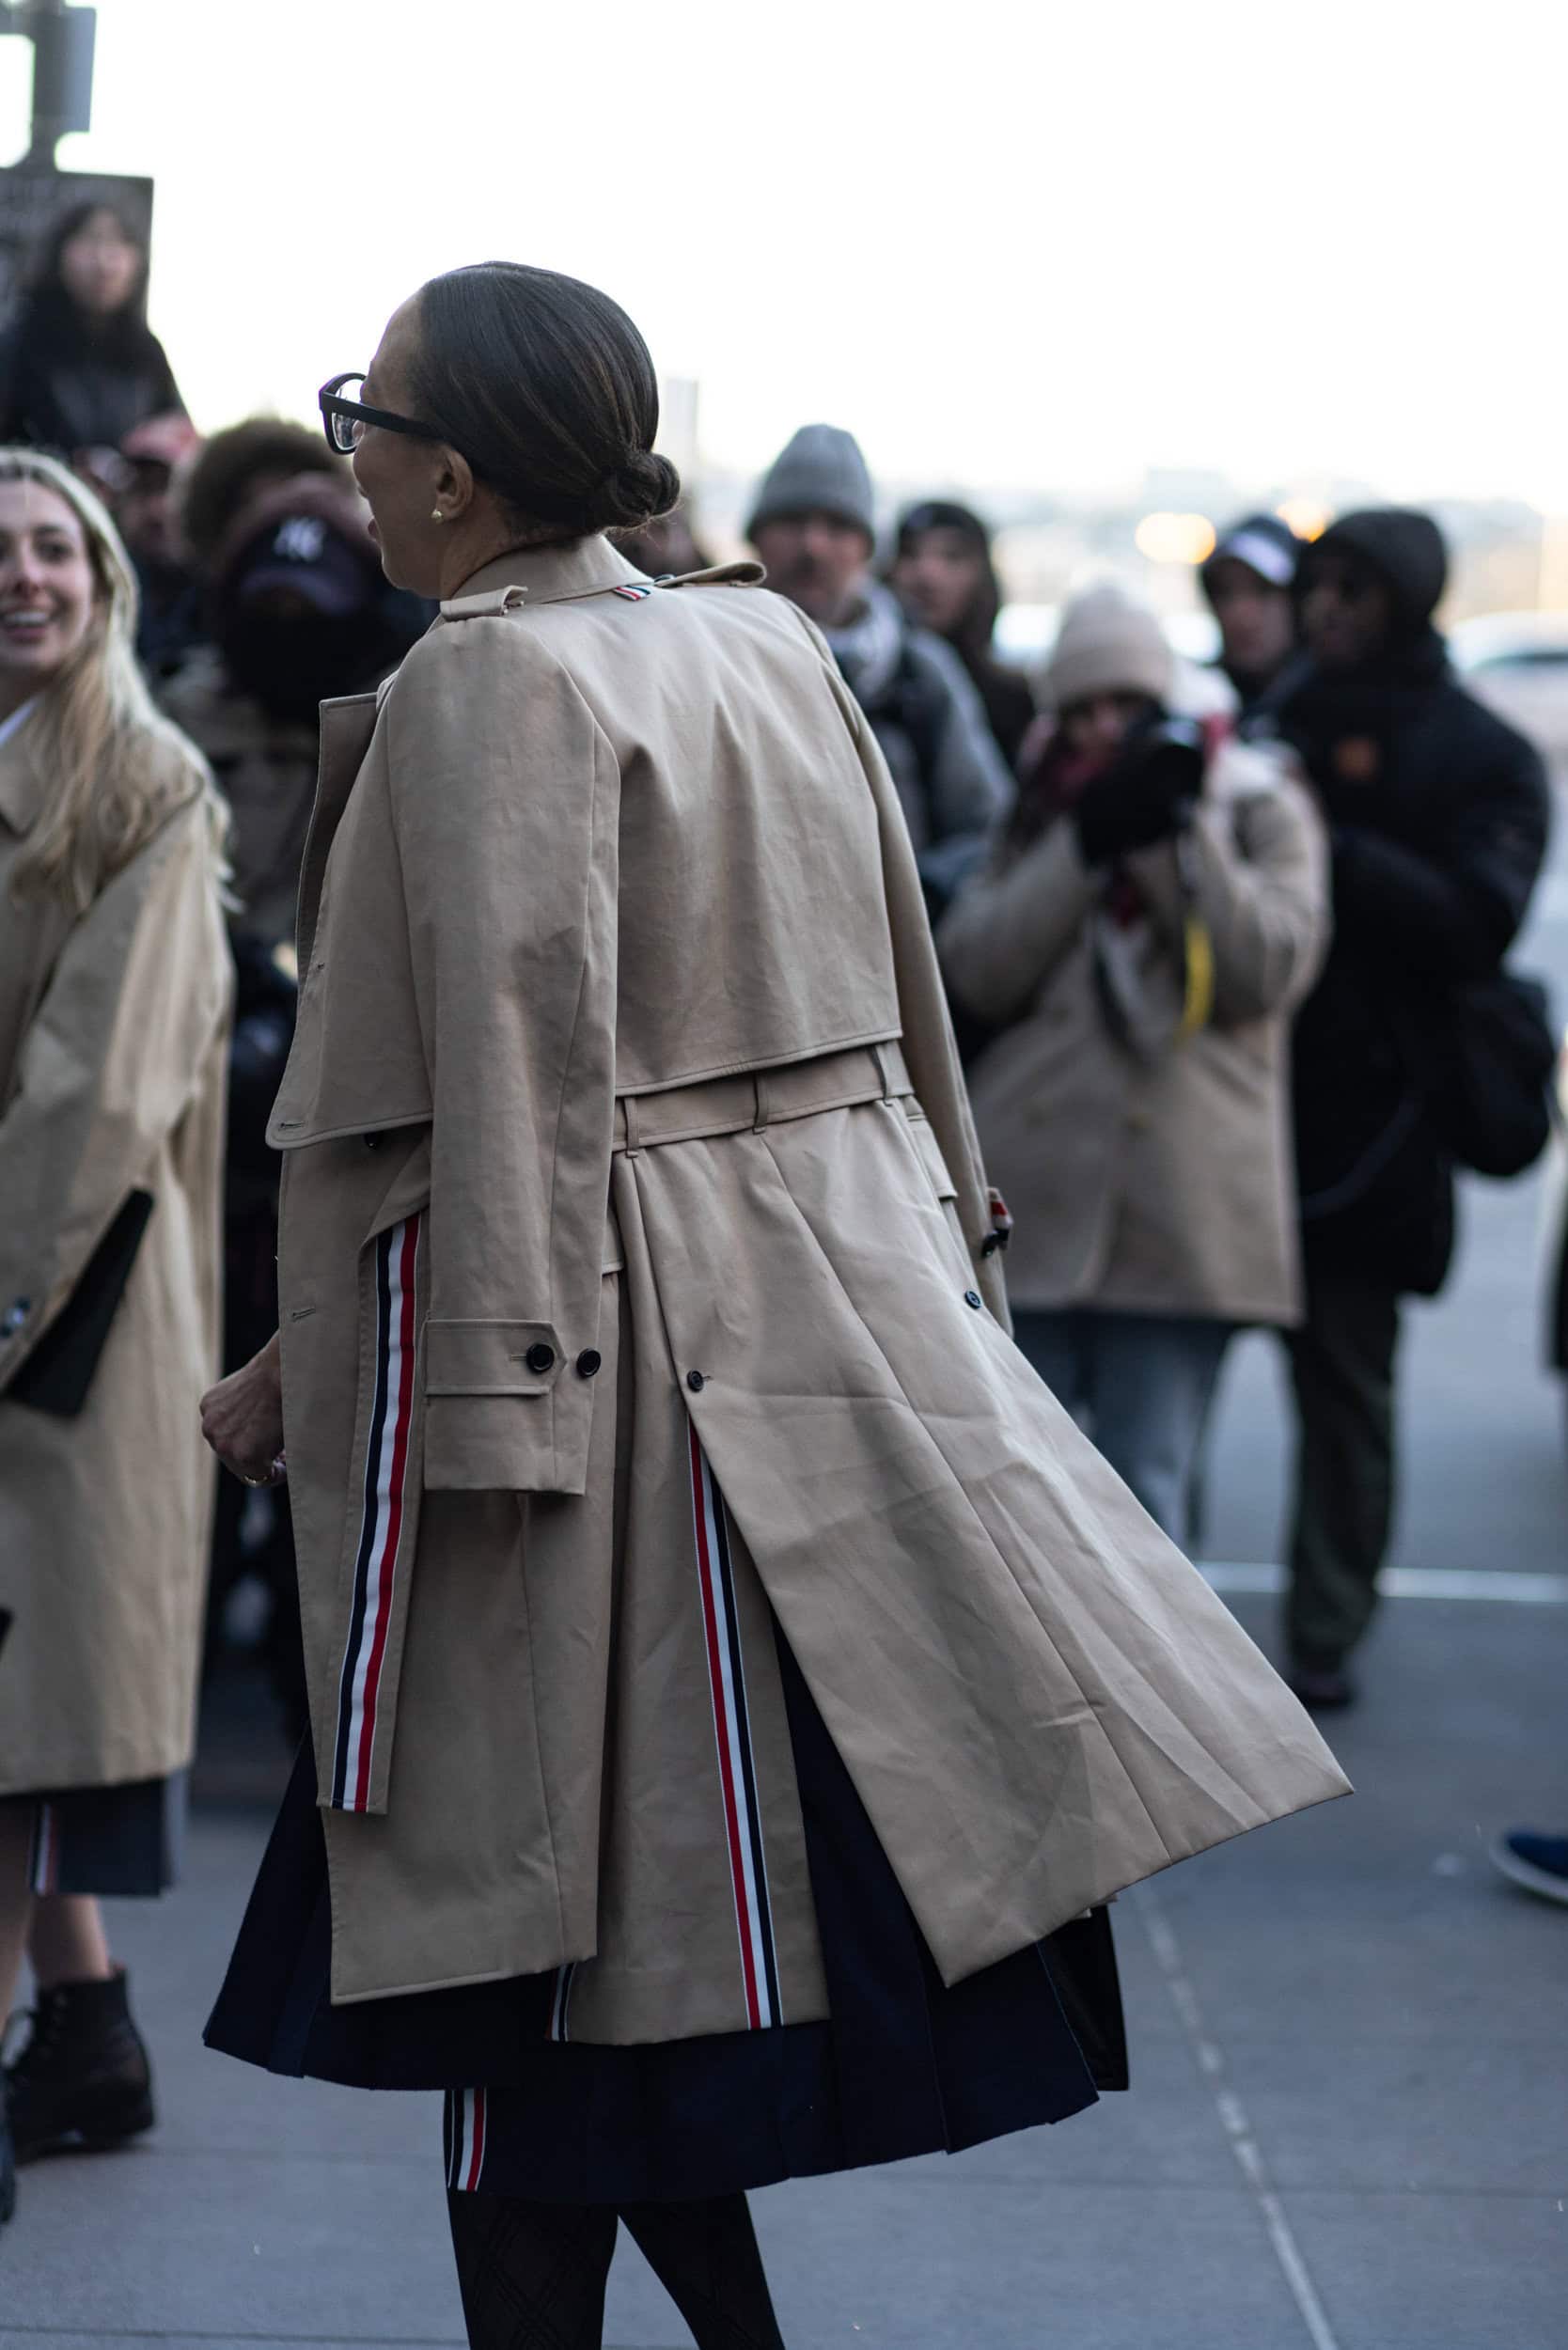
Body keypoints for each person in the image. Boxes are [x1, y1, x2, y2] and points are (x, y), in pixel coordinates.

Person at [196, 263, 1345, 2350]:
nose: (349, 452)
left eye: (370, 416)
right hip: (787, 1363)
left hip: (591, 1421)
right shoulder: (758, 637)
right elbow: (900, 1007)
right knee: (628, 2007)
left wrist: (482, 1433)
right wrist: (945, 1256)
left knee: (538, 1995)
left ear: (456, 472)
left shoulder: (486, 681)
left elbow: (523, 1092)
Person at [0, 450, 231, 2229]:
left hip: (63, 1308)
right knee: (24, 1708)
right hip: (34, 1302)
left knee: (15, 1714)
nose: (24, 577)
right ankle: (85, 2032)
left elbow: (97, 1099)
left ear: (104, 577)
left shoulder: (149, 784)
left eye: (52, 547)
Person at [938, 587, 1329, 1540]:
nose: (1104, 729)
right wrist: (1085, 843)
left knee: (1150, 1502)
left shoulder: (1258, 799)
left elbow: (1266, 970)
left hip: (1182, 1209)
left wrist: (1174, 839)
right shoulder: (1039, 807)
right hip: (1037, 1202)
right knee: (1023, 1506)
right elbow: (974, 970)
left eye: (1128, 706)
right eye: (1081, 710)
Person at [164, 468, 429, 1736]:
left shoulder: (408, 712)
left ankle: (310, 1696)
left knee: (332, 1444)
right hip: (202, 1133)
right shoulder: (179, 728)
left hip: (338, 1126)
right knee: (195, 1444)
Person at [1276, 509, 1550, 1708]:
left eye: (1356, 588)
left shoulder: (1481, 751)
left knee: (1346, 1394)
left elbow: (1478, 921)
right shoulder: (1278, 713)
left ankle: (1325, 1629)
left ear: (1407, 599)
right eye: (1317, 584)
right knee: (1166, 1396)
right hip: (1235, 1112)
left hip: (1375, 1131)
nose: (1327, 608)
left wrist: (1324, 842)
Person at [746, 425, 1012, 913]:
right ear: (756, 537)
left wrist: (913, 899)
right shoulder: (711, 657)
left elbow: (987, 825)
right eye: (792, 521)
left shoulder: (919, 673)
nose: (813, 546)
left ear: (867, 548)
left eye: (837, 526)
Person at [0, 202, 184, 474]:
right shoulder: (20, 344)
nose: (103, 262)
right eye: (90, 241)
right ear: (59, 255)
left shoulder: (147, 353)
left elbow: (179, 435)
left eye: (118, 244)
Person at [888, 498, 1035, 767]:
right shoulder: (868, 687)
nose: (928, 574)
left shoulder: (1015, 700)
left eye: (951, 556)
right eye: (911, 554)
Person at [109, 410, 204, 679]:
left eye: (172, 488)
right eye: (142, 489)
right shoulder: (102, 595)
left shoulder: (229, 596)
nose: (156, 510)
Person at [1198, 511, 1304, 716]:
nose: (1242, 615)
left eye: (1263, 591)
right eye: (1224, 593)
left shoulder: (1340, 705)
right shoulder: (1189, 703)